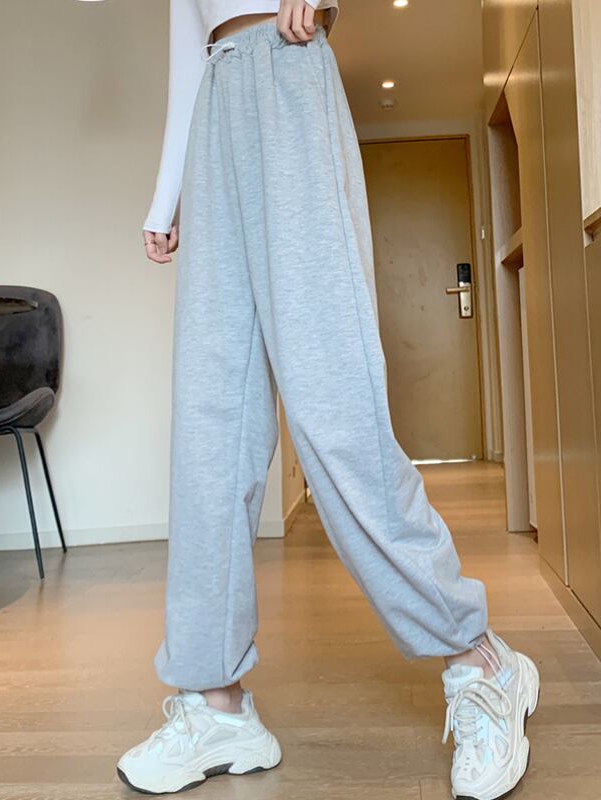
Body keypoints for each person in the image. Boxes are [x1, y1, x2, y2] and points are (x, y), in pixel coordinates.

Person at [118, 2, 540, 798]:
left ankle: (479, 658)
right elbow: (190, 52)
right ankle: (216, 702)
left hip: (289, 76)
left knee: (334, 413)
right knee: (210, 429)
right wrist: (166, 194)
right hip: (215, 114)